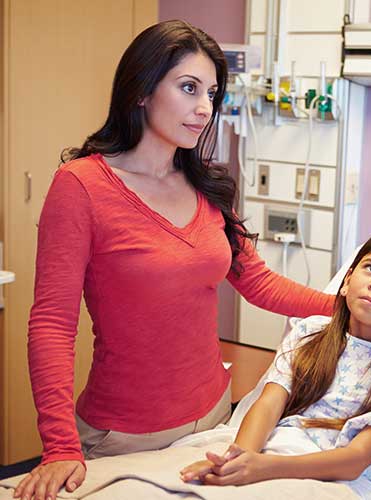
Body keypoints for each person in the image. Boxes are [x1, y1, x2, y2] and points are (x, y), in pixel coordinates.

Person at [15, 20, 334, 500]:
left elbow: (259, 283)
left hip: (213, 420)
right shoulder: (81, 186)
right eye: (189, 88)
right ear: (142, 90)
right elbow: (52, 325)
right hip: (123, 438)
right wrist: (60, 445)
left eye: (211, 93)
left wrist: (345, 306)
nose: (205, 108)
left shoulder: (207, 183)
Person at [180, 229, 371, 490]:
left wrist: (260, 468)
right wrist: (236, 461)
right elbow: (270, 402)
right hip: (277, 450)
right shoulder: (310, 333)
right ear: (347, 281)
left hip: (342, 481)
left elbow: (355, 461)